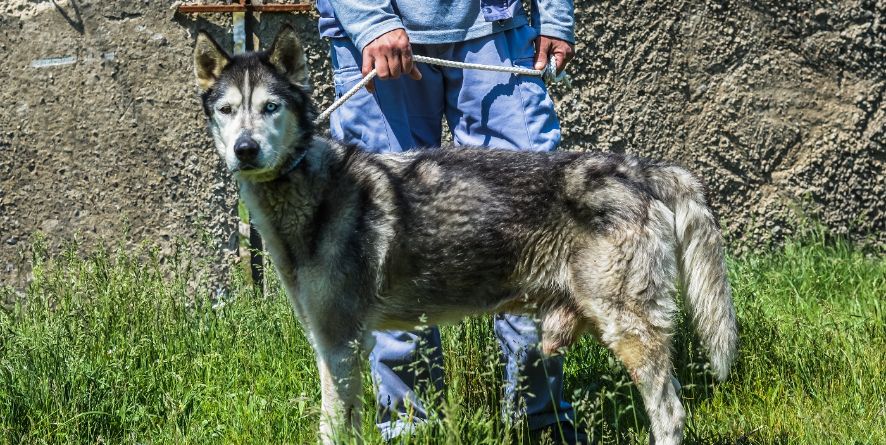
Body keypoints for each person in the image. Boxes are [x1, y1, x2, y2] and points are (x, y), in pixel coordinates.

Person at [316, 0, 582, 442]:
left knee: (537, 226)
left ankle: (541, 423)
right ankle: (410, 429)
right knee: (387, 241)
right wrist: (371, 20)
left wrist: (555, 15)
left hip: (496, 29)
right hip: (373, 38)